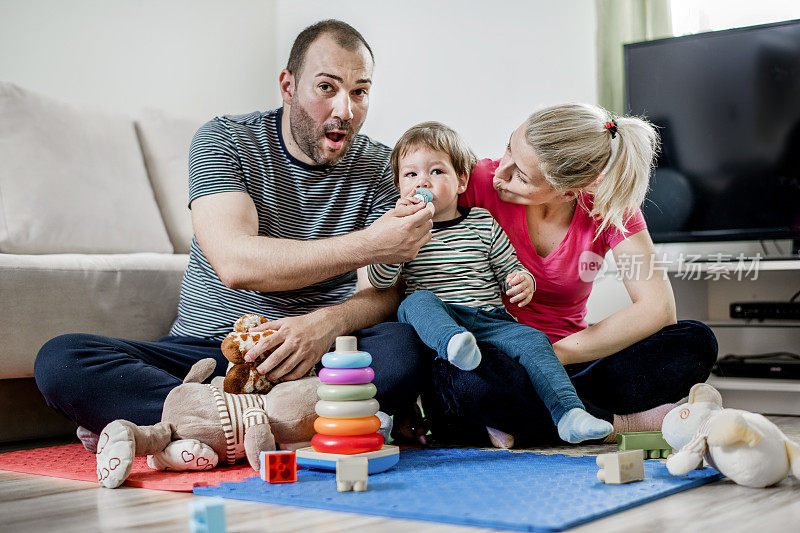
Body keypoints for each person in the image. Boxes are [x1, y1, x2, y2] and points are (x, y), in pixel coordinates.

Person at [33, 20, 433, 449]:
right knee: (61, 360)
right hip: (207, 356)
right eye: (326, 88)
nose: (345, 110)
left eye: (359, 92)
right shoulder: (224, 139)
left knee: (401, 349)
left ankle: (193, 426)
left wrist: (322, 326)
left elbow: (387, 291)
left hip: (314, 356)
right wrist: (373, 242)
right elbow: (236, 262)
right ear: (288, 85)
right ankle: (278, 425)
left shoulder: (382, 167)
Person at [422, 103, 718, 447]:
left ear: (570, 191)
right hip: (496, 355)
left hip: (571, 359)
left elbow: (657, 309)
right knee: (459, 378)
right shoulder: (472, 184)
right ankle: (621, 424)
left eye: (521, 175)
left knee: (694, 342)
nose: (500, 172)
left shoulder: (608, 203)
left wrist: (549, 357)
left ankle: (526, 419)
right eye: (508, 148)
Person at [367, 122, 613, 445]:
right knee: (415, 302)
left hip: (488, 318)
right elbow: (380, 281)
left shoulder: (483, 222)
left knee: (534, 340)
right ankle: (454, 344)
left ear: (461, 181)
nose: (422, 182)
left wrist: (524, 281)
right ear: (399, 185)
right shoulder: (403, 229)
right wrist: (392, 243)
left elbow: (509, 268)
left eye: (437, 172)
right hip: (439, 323)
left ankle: (570, 414)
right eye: (410, 175)